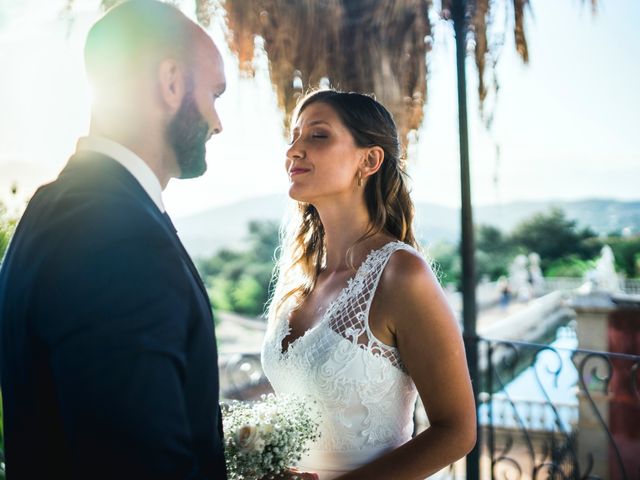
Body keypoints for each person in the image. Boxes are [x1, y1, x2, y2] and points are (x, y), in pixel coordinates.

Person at [0, 1, 227, 478]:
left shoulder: (50, 206)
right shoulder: (120, 239)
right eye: (215, 95)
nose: (217, 122)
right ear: (171, 83)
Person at [261, 90, 477, 479]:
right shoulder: (300, 279)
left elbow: (456, 432)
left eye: (318, 135)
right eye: (293, 137)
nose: (294, 150)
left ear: (370, 159)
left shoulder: (400, 275)